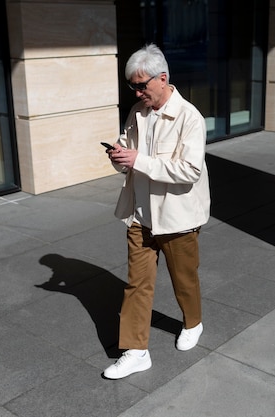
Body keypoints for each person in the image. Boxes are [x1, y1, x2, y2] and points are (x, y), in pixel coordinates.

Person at [102, 44, 210, 379]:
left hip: (178, 218)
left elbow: (189, 170)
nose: (137, 92)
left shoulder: (190, 118)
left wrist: (138, 161)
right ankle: (136, 352)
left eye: (141, 85)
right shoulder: (137, 112)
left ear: (162, 78)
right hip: (140, 217)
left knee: (184, 280)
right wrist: (121, 158)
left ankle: (193, 323)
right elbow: (129, 155)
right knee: (136, 285)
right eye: (132, 86)